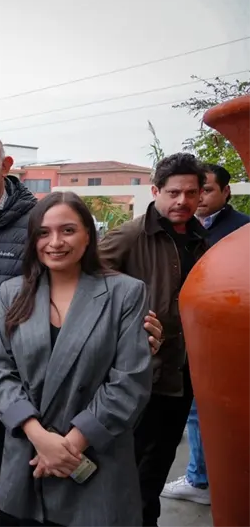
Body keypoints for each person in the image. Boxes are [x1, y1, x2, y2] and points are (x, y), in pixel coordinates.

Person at [0, 128, 164, 527]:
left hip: (9, 419)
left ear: (6, 166)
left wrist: (134, 329)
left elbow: (90, 286)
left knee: (20, 516)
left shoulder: (38, 225)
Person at [0, 191, 153, 527]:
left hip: (95, 456)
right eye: (44, 233)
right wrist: (39, 437)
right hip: (28, 455)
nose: (55, 242)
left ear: (88, 235)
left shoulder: (125, 293)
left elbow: (129, 380)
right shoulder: (12, 293)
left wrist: (67, 447)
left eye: (68, 230)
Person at [98, 152, 209, 527]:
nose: (182, 201)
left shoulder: (200, 237)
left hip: (183, 373)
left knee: (158, 464)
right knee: (131, 470)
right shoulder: (129, 236)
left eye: (191, 193)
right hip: (140, 374)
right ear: (155, 191)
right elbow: (88, 288)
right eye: (174, 192)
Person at [161, 163, 250, 506]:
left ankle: (200, 479)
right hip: (186, 330)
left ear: (226, 192)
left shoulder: (239, 230)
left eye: (204, 190)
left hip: (223, 335)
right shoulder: (185, 228)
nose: (194, 199)